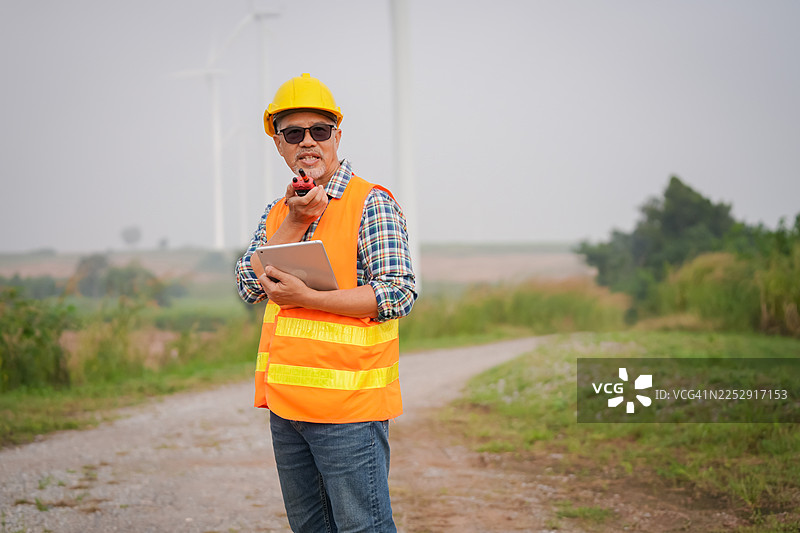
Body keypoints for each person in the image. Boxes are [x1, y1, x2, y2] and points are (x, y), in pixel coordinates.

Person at [235, 73, 417, 532]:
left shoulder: (370, 203)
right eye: (293, 133)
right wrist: (295, 223)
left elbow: (397, 292)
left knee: (363, 528)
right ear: (278, 144)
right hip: (288, 410)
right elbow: (249, 286)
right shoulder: (278, 212)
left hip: (349, 413)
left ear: (337, 135)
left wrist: (311, 298)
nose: (307, 142)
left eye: (319, 130)